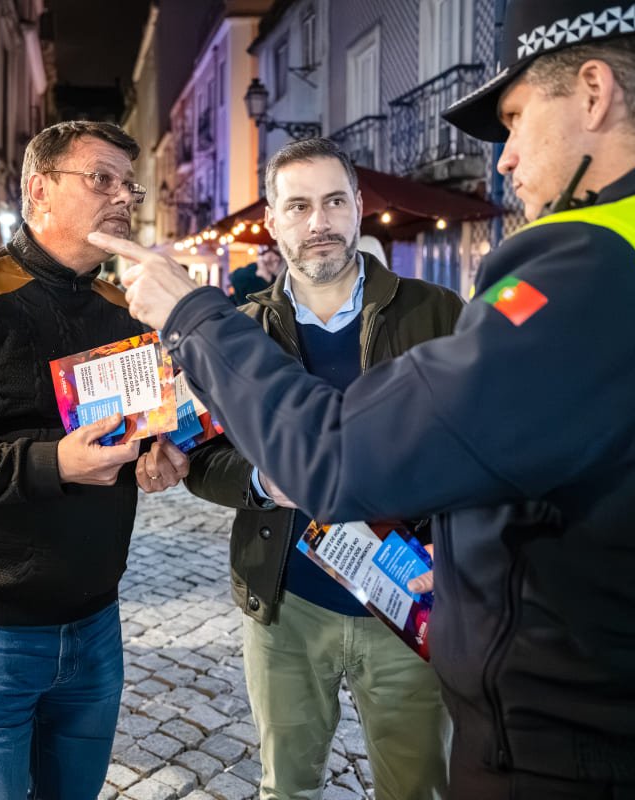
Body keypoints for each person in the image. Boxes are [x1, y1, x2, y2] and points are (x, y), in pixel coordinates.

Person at [97, 2, 635, 797]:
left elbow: (338, 457)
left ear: (594, 93)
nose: (505, 157)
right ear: (276, 225)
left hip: (595, 744)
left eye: (516, 118)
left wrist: (192, 314)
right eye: (298, 206)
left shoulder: (600, 270)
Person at [142, 138, 462, 800]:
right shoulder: (237, 331)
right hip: (287, 605)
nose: (319, 222)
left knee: (419, 789)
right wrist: (262, 483)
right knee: (286, 788)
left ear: (359, 208)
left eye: (335, 202)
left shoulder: (438, 313)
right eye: (299, 206)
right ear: (273, 220)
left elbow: (479, 443)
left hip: (407, 605)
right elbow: (201, 459)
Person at [0, 121, 171, 798]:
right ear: (39, 190)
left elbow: (133, 433)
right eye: (101, 178)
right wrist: (52, 463)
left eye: (128, 185)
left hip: (95, 616)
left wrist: (158, 453)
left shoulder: (121, 309)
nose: (123, 196)